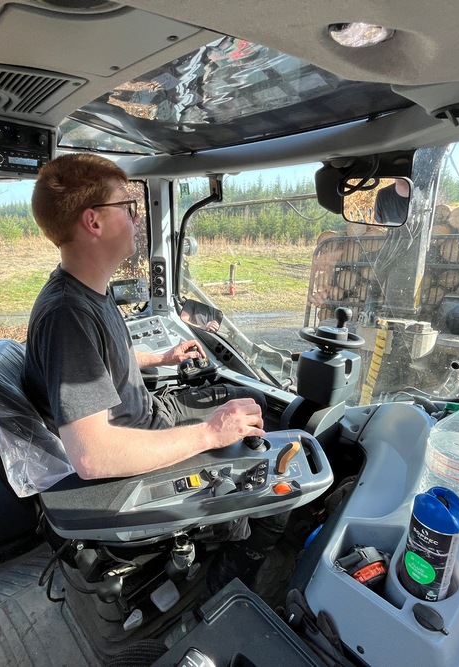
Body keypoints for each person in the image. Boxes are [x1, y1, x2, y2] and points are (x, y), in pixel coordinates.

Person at [23, 153, 285, 591]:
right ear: (94, 222)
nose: (134, 216)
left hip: (145, 415)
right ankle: (228, 577)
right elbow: (93, 457)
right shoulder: (67, 316)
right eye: (126, 207)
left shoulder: (88, 291)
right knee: (271, 468)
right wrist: (210, 435)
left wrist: (158, 359)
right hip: (134, 453)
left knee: (252, 405)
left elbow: (99, 365)